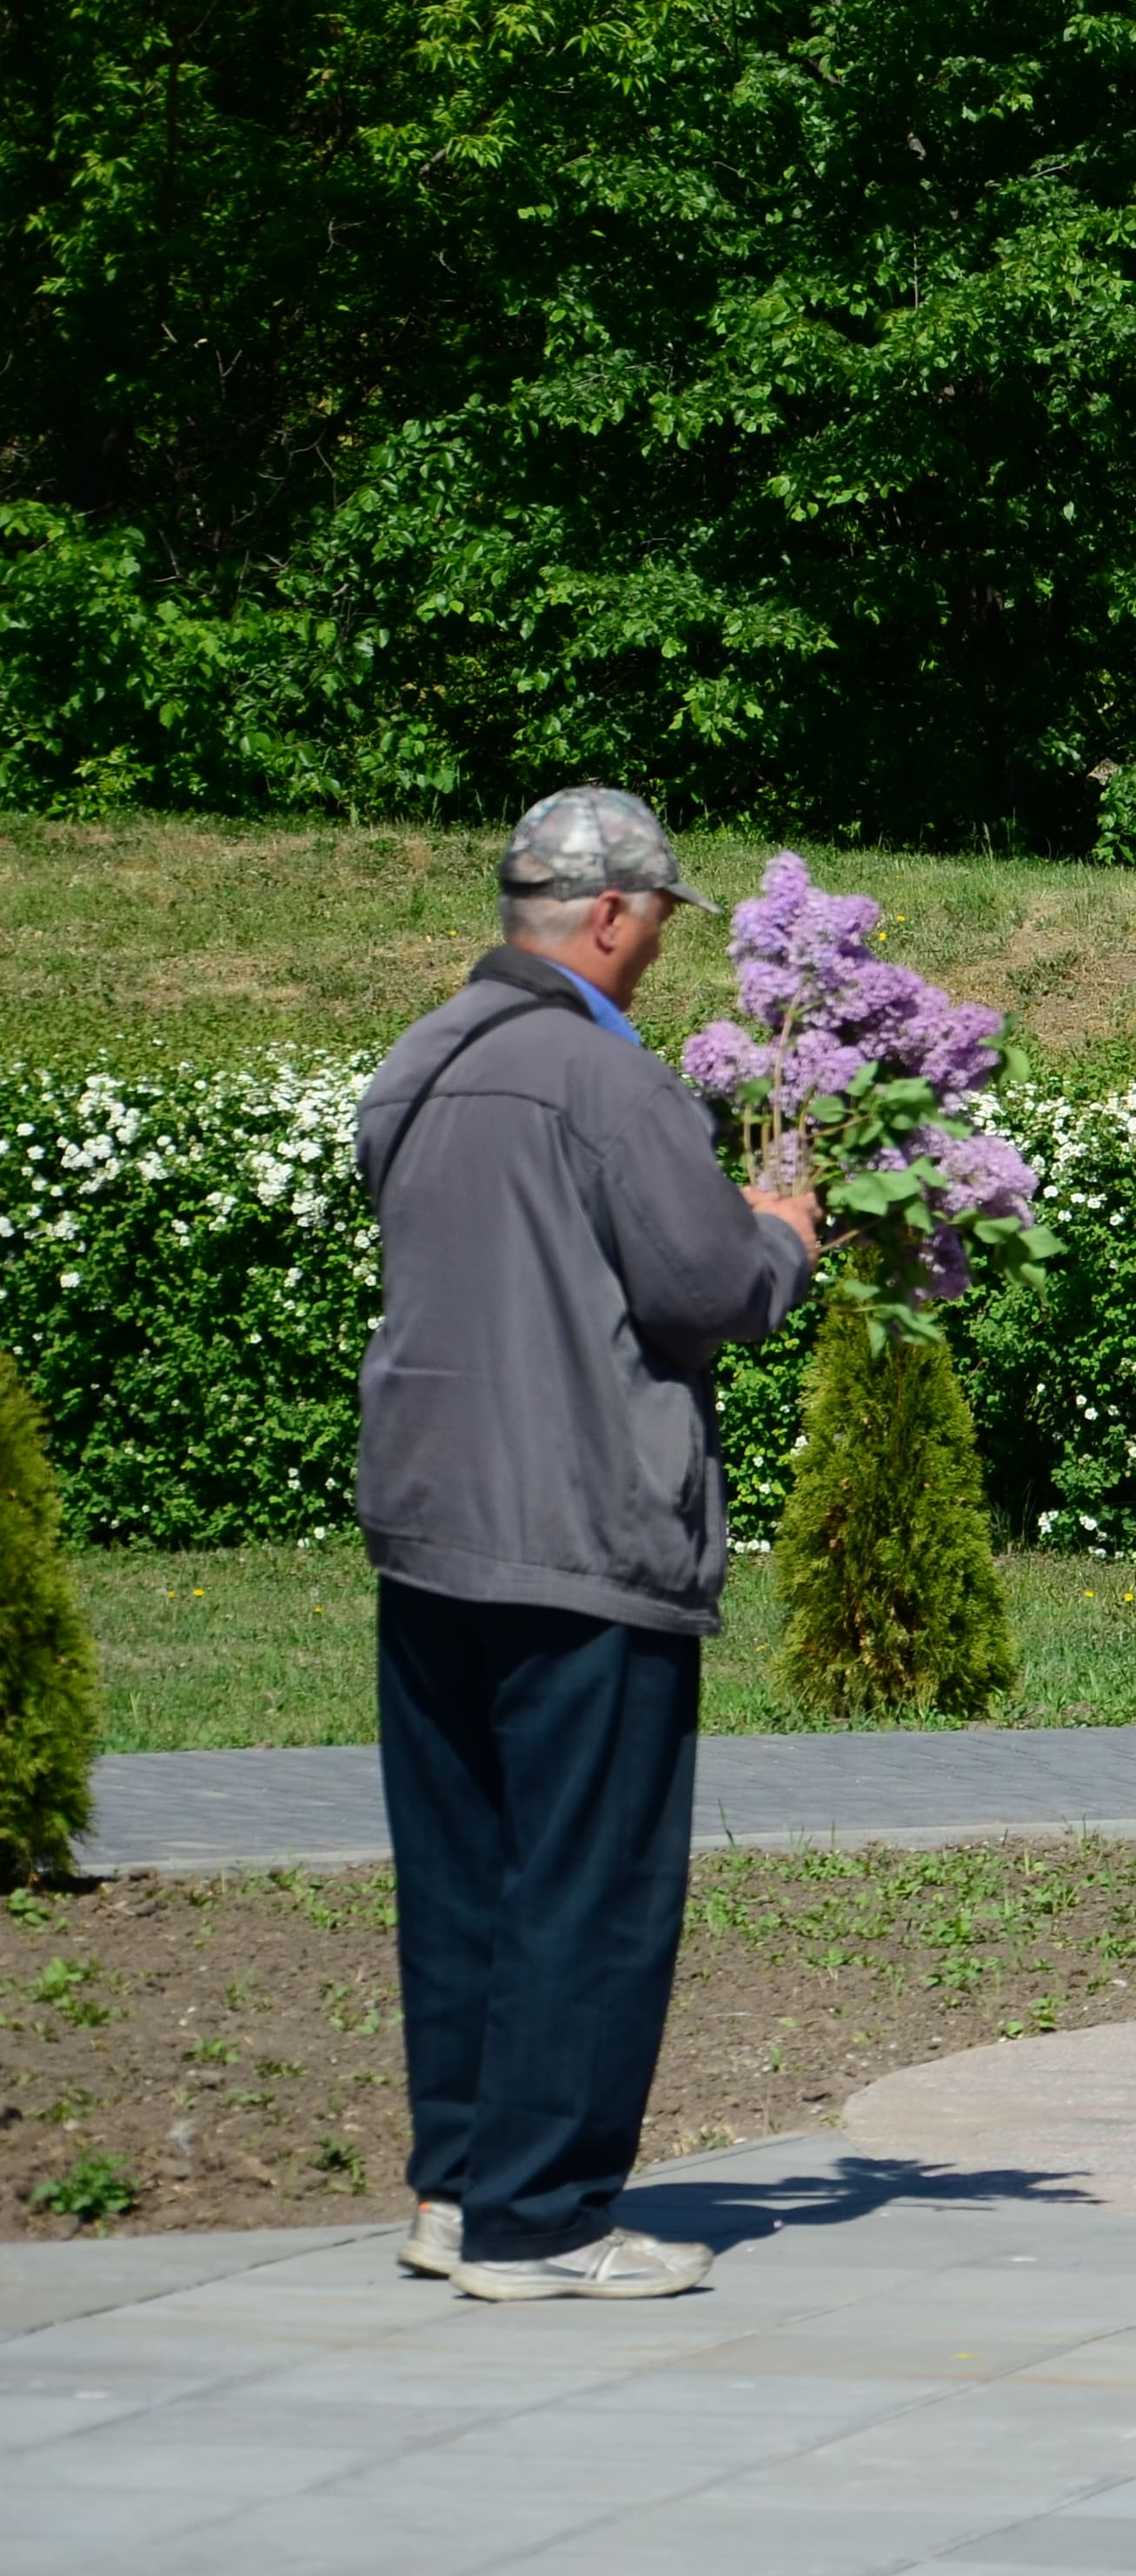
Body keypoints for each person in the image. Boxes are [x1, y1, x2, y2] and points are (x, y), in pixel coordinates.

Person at [355, 788, 819, 2301]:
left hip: (430, 1524)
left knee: (465, 1875)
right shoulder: (604, 1077)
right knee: (589, 1879)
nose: (662, 946)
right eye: (661, 918)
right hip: (582, 1525)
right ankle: (544, 2220)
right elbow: (706, 1291)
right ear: (611, 913)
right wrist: (782, 1232)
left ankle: (456, 2189)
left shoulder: (422, 1057)